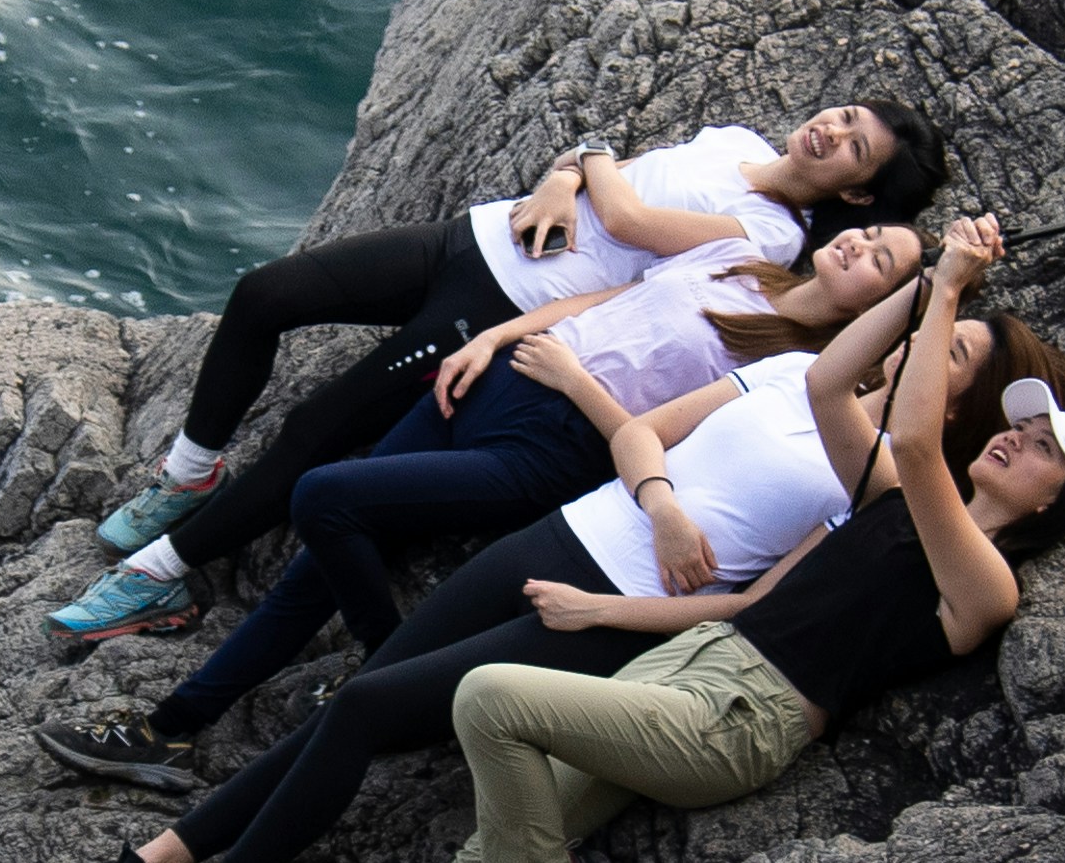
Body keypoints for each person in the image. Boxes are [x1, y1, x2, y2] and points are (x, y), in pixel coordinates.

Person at [157, 217, 1065, 863]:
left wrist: (951, 290)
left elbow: (915, 438)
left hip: (741, 715)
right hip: (683, 666)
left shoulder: (985, 581)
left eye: (1041, 450)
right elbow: (830, 383)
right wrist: (928, 284)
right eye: (1021, 427)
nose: (1016, 442)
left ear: (1049, 504)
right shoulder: (887, 500)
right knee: (486, 857)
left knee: (488, 697)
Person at [39, 216, 940, 770]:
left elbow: (663, 438)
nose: (859, 244)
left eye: (882, 261)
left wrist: (572, 379)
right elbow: (601, 298)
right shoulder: (737, 254)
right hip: (496, 379)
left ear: (886, 307)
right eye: (870, 233)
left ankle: (383, 657)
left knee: (325, 496)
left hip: (555, 446)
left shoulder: (792, 369)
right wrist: (495, 339)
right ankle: (171, 727)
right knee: (311, 569)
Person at [52, 105, 942, 653]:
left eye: (853, 148)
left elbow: (626, 216)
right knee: (265, 294)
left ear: (858, 194)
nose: (831, 131)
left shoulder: (773, 238)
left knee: (316, 432)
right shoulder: (735, 140)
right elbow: (604, 184)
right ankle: (189, 472)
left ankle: (162, 571)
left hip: (512, 300)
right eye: (844, 116)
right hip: (478, 236)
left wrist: (585, 153)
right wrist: (561, 176)